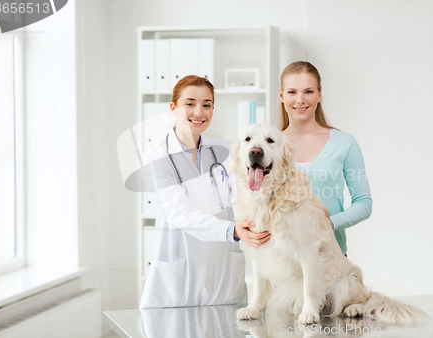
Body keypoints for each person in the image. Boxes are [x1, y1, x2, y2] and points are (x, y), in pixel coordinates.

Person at [139, 75, 270, 308]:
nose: (199, 112)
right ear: (173, 108)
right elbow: (180, 214)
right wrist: (233, 230)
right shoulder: (156, 158)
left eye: (207, 105)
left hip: (221, 273)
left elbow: (240, 191)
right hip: (180, 277)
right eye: (189, 104)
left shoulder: (220, 149)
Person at [279, 61, 372, 256]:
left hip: (331, 257)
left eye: (309, 92)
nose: (300, 99)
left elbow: (363, 202)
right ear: (281, 95)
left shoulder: (344, 143)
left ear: (320, 94)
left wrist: (330, 223)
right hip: (284, 260)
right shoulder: (270, 148)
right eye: (292, 92)